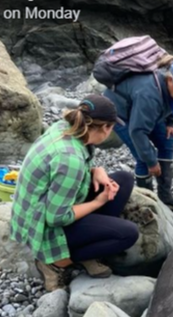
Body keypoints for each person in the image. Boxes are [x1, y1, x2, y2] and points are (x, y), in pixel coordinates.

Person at [10, 94, 139, 292]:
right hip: (42, 225)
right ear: (105, 128)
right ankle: (55, 263)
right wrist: (98, 202)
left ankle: (89, 238)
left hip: (47, 203)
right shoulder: (70, 159)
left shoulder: (66, 128)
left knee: (124, 179)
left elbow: (61, 174)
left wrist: (96, 171)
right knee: (128, 235)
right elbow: (56, 217)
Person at [104, 57, 173, 209]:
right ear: (170, 80)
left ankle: (165, 195)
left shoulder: (171, 89)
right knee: (143, 157)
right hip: (122, 116)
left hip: (146, 113)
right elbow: (137, 131)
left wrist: (170, 123)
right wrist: (152, 162)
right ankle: (148, 200)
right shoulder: (149, 94)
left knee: (169, 140)